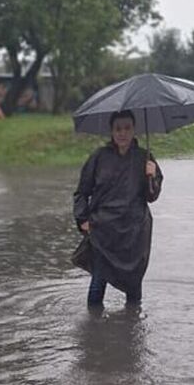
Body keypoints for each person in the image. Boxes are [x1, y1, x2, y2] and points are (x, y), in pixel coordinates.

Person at [73, 110, 163, 310]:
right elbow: (81, 193)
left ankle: (132, 331)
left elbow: (152, 196)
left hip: (134, 234)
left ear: (134, 130)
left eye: (127, 128)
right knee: (97, 289)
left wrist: (153, 176)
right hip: (103, 232)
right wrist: (82, 220)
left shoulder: (144, 158)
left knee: (134, 292)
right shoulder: (98, 157)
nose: (122, 133)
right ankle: (94, 333)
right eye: (118, 129)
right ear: (111, 132)